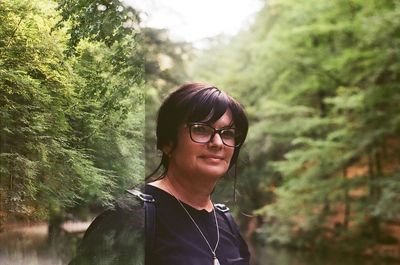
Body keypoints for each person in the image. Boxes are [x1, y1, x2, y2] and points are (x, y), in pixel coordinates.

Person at [69, 83, 250, 265]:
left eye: (227, 133)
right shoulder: (131, 217)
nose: (217, 143)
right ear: (168, 143)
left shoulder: (226, 223)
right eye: (201, 129)